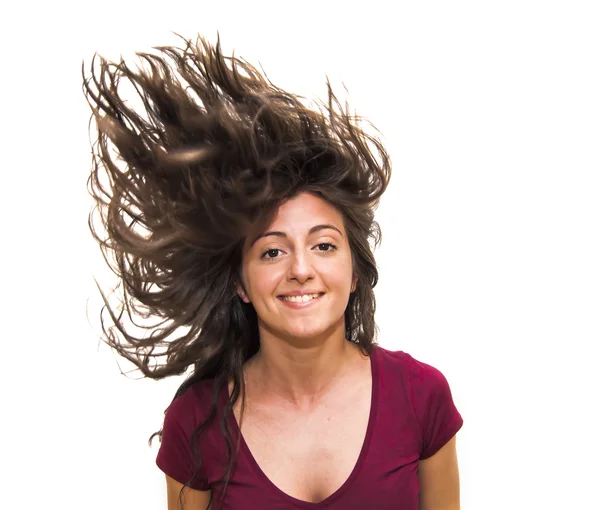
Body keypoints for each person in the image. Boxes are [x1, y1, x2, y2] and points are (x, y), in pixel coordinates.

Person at [83, 35, 463, 510]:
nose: (301, 270)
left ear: (355, 268)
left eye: (323, 245)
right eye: (271, 252)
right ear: (240, 283)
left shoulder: (421, 397)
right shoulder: (196, 423)